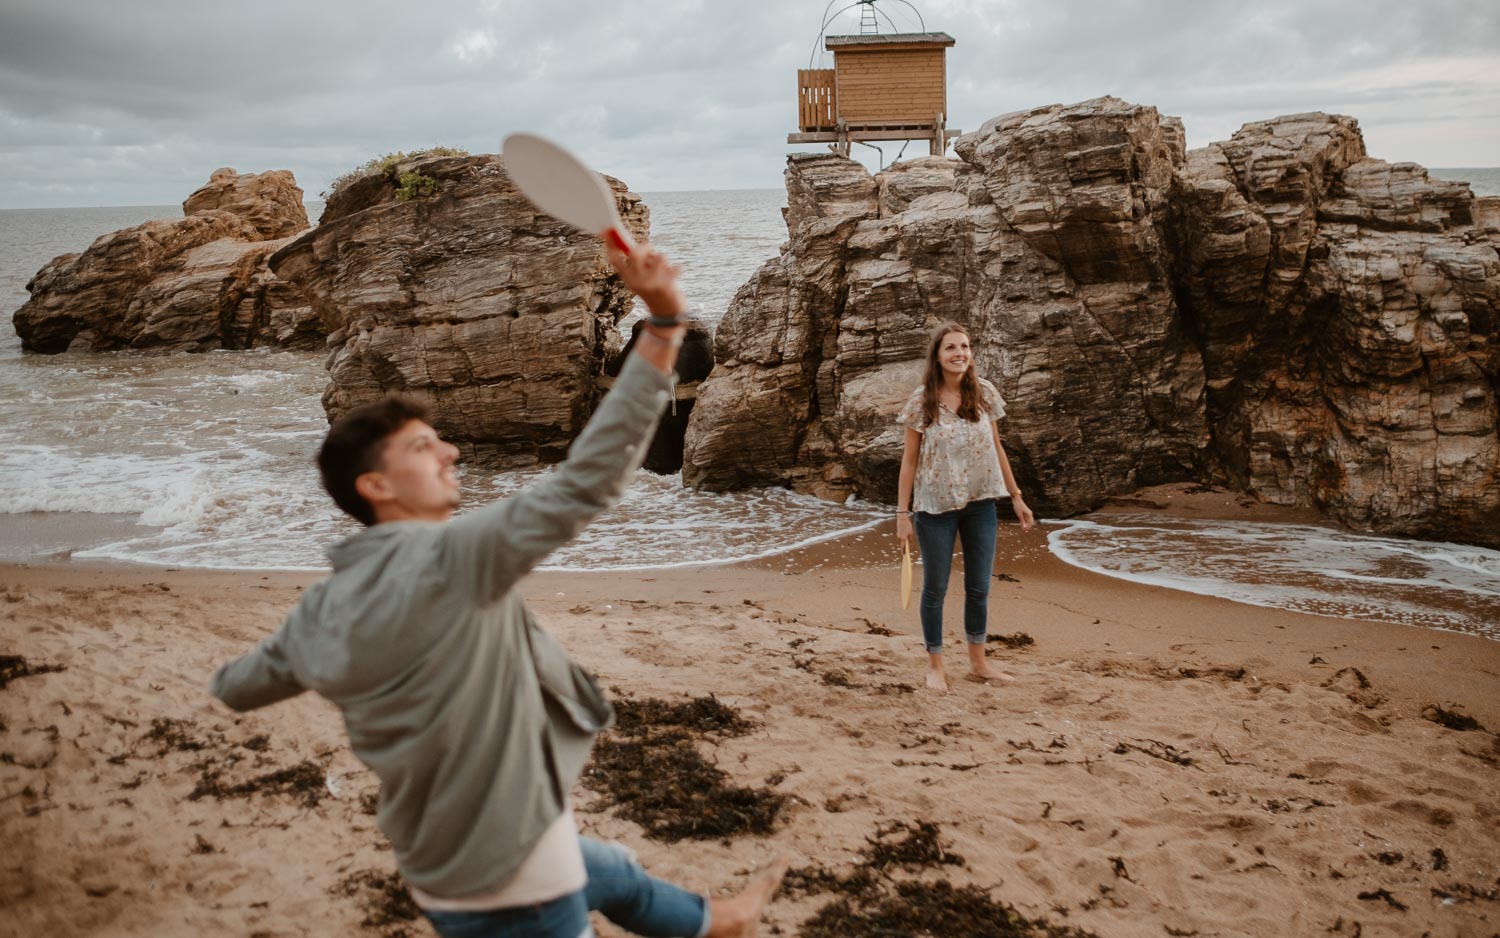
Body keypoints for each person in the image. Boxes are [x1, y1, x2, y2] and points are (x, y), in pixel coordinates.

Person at [209, 244, 785, 938]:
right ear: (376, 486)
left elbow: (238, 687)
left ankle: (718, 921)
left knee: (614, 873)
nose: (450, 452)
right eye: (424, 448)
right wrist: (663, 325)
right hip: (518, 880)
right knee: (579, 877)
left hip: (434, 861)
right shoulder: (453, 560)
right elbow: (587, 478)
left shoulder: (319, 611)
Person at [895, 322, 1036, 693]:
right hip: (934, 508)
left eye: (965, 347)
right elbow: (908, 461)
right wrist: (901, 515)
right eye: (951, 348)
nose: (960, 353)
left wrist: (1016, 496)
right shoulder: (921, 400)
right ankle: (935, 666)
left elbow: (997, 447)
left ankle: (978, 663)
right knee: (935, 588)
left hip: (981, 504)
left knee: (978, 588)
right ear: (938, 356)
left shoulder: (984, 393)